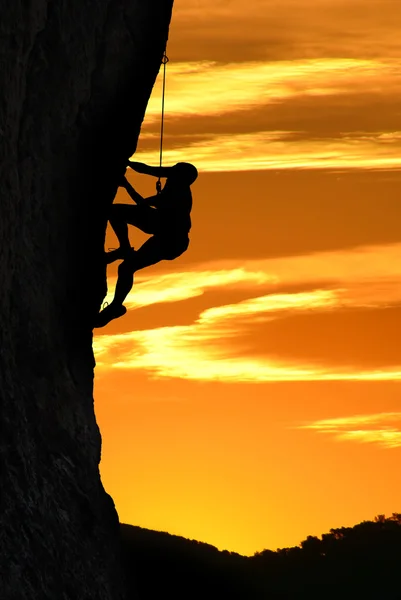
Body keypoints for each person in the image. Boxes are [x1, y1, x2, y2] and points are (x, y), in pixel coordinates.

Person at [94, 160, 198, 328]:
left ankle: (115, 306)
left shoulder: (178, 195)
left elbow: (141, 203)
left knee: (126, 267)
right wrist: (127, 161)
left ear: (181, 178)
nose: (170, 172)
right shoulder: (176, 179)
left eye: (174, 171)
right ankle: (125, 248)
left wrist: (126, 184)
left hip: (171, 239)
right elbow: (148, 170)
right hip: (163, 226)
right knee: (115, 212)